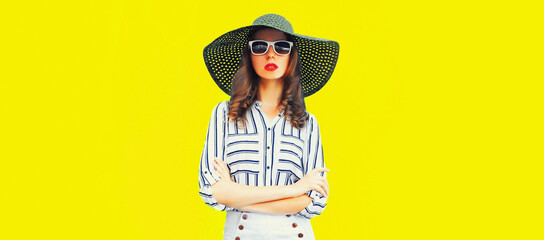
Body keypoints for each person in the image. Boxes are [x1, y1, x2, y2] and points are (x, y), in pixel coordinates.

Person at [199, 13, 340, 240]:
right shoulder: (224, 115)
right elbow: (212, 191)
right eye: (260, 47)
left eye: (281, 47)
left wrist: (238, 197)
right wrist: (293, 190)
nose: (271, 54)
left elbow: (315, 200)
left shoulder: (308, 123)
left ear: (291, 56)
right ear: (249, 55)